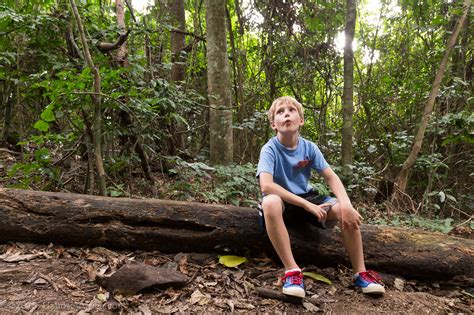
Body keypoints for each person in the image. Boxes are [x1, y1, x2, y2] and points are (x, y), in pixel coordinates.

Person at [256, 96, 385, 298]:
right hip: (283, 202)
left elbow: (331, 177)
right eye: (280, 112)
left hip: (307, 197)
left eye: (291, 110)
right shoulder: (270, 149)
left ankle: (360, 273)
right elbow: (266, 185)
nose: (286, 114)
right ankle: (292, 272)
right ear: (274, 124)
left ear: (301, 120)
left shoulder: (309, 148)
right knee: (269, 201)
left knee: (345, 210)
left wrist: (347, 205)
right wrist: (306, 205)